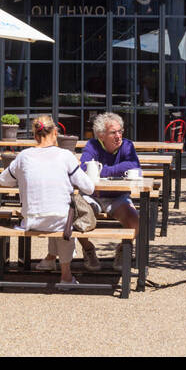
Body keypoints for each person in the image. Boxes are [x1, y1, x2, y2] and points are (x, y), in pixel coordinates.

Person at [0, 115, 95, 285]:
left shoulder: (24, 156)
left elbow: (4, 181)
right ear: (55, 132)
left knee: (55, 211)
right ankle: (66, 274)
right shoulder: (65, 156)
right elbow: (89, 188)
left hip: (31, 221)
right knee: (64, 219)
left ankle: (50, 260)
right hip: (59, 222)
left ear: (35, 136)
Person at [77, 111, 143, 271]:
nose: (119, 136)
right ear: (101, 135)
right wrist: (117, 170)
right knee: (76, 219)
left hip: (118, 197)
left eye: (120, 131)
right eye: (113, 132)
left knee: (136, 222)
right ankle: (88, 250)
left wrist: (105, 170)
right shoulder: (92, 145)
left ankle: (122, 250)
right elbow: (84, 167)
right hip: (93, 196)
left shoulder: (127, 145)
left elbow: (134, 167)